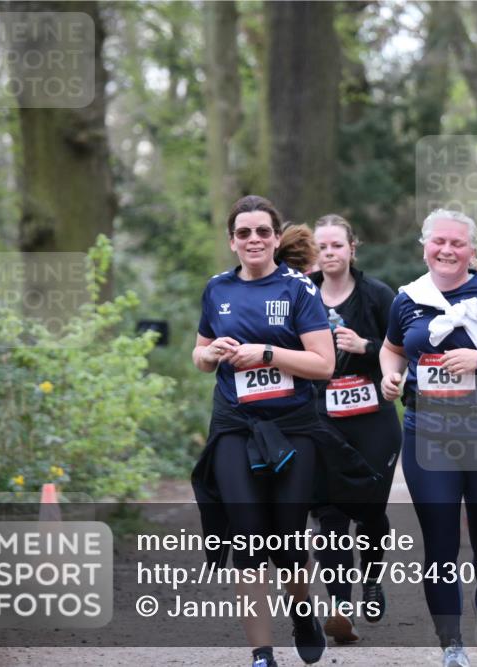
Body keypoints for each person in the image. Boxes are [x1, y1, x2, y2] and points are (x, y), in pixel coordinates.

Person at [379, 209, 477, 667]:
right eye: (439, 242)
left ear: (472, 250)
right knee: (440, 543)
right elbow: (392, 349)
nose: (447, 251)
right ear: (424, 244)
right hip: (428, 435)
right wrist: (390, 379)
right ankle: (451, 646)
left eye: (457, 244)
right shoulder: (407, 299)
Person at [191, 195, 334, 667]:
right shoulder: (216, 289)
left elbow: (324, 364)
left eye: (262, 232)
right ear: (232, 241)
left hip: (292, 427)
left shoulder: (298, 290)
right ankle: (262, 654)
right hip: (235, 425)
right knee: (248, 535)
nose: (254, 239)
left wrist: (267, 354)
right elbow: (199, 354)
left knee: (287, 537)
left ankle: (302, 613)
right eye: (244, 233)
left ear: (275, 238)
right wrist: (212, 355)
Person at [307, 214, 402, 644]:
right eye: (322, 247)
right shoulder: (300, 293)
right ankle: (341, 608)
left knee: (369, 511)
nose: (329, 253)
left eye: (337, 246)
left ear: (352, 249)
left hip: (373, 422)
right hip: (322, 421)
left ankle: (373, 580)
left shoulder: (378, 295)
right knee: (329, 516)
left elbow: (402, 350)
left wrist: (365, 347)